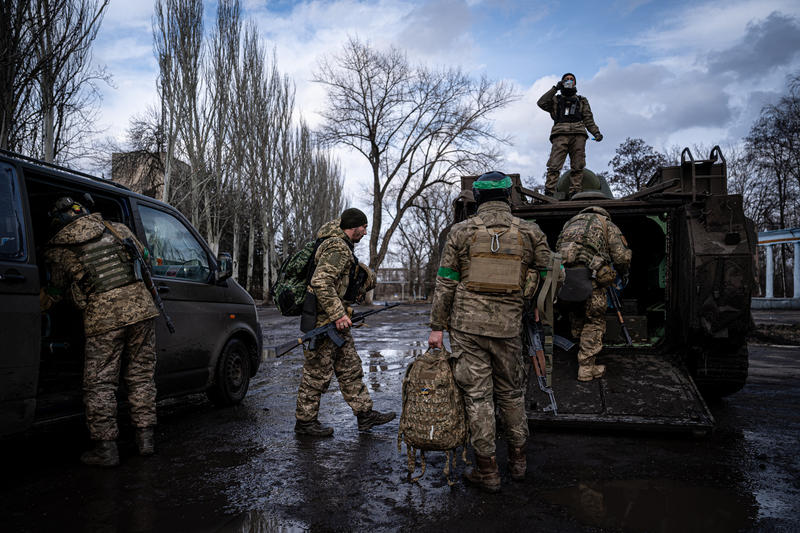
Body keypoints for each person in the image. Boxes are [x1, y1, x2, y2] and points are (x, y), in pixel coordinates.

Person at [428, 172, 559, 493]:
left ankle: (487, 471)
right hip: (509, 327)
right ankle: (518, 462)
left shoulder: (460, 232)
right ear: (508, 196)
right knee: (512, 394)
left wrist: (436, 328)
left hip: (467, 328)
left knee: (478, 397)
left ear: (478, 199)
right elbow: (551, 275)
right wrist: (534, 300)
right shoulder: (530, 233)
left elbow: (446, 281)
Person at [41, 197, 160, 466]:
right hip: (141, 310)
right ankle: (145, 441)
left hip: (103, 319)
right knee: (141, 376)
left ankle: (106, 450)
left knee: (101, 383)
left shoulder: (58, 249)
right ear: (83, 211)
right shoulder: (118, 230)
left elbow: (55, 291)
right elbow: (146, 258)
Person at [294, 207, 395, 437]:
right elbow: (321, 282)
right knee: (317, 372)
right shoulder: (337, 247)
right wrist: (339, 314)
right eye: (364, 227)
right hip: (324, 321)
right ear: (353, 226)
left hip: (335, 320)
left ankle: (365, 415)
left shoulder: (341, 245)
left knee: (350, 367)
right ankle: (305, 422)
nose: (365, 231)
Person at [556, 206, 631, 381]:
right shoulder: (607, 225)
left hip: (565, 281)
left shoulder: (570, 224)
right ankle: (586, 368)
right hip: (591, 280)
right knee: (594, 321)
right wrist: (622, 272)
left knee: (576, 313)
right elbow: (622, 257)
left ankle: (577, 348)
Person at [537, 73, 603, 198]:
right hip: (560, 133)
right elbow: (541, 103)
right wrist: (555, 88)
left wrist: (596, 132)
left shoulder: (581, 100)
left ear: (575, 83)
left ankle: (575, 191)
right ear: (562, 82)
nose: (569, 81)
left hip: (578, 133)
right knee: (554, 165)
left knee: (578, 165)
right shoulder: (555, 100)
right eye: (566, 79)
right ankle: (549, 192)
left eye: (571, 79)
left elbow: (588, 118)